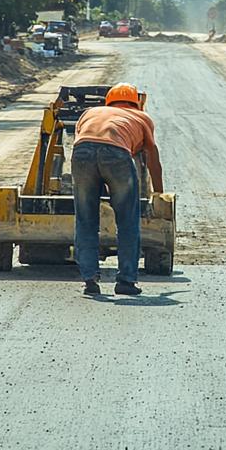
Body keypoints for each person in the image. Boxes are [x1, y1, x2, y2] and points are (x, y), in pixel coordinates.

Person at [71, 83, 164, 296]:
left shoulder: (90, 112)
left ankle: (90, 279)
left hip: (82, 152)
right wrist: (158, 193)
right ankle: (126, 281)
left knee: (85, 220)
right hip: (117, 154)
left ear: (108, 101)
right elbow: (152, 159)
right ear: (136, 102)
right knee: (127, 221)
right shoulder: (142, 118)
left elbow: (85, 142)